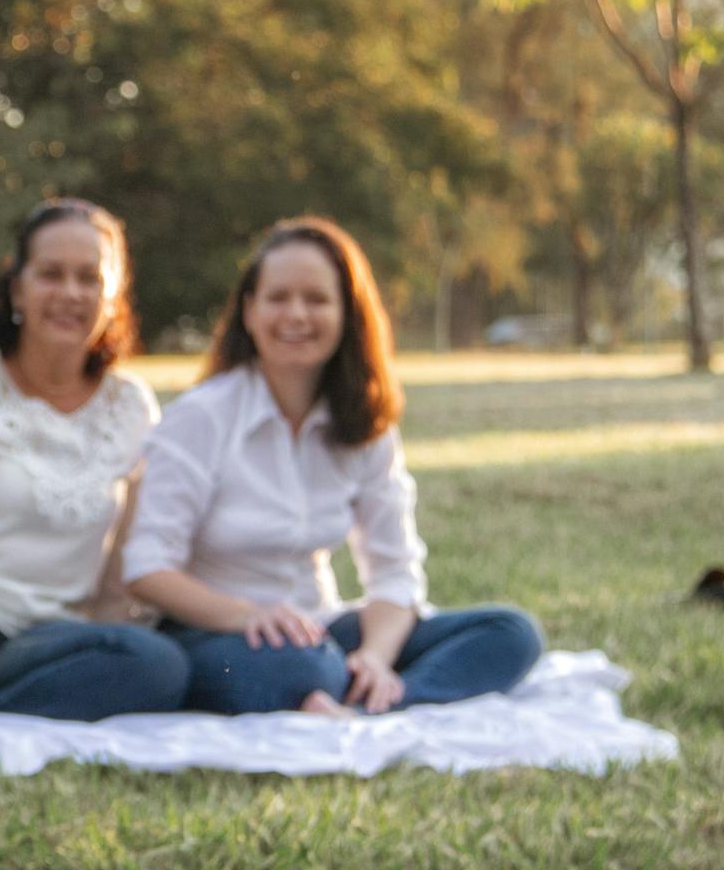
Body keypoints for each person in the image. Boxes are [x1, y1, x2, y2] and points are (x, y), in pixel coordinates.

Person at [124, 216, 543, 717]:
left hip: (320, 627)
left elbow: (395, 573)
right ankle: (331, 693)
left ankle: (375, 700)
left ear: (348, 313)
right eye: (278, 298)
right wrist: (250, 615)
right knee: (297, 667)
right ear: (250, 312)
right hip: (216, 635)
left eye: (317, 299)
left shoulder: (365, 424)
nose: (296, 314)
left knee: (511, 633)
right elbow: (147, 567)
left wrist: (374, 657)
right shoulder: (201, 417)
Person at [0, 198, 189, 727]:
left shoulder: (131, 405)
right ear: (18, 287)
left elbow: (127, 550)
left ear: (111, 296)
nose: (70, 293)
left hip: (55, 632)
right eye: (51, 274)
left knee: (158, 667)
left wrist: (117, 630)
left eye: (89, 278)